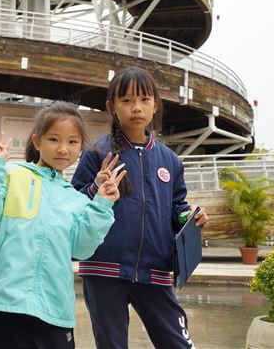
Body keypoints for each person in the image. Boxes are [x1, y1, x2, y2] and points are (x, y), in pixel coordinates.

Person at [71, 66, 209, 349]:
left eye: (144, 99)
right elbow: (74, 203)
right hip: (104, 269)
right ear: (111, 107)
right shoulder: (97, 153)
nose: (136, 107)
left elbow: (177, 208)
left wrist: (190, 216)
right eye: (127, 100)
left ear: (155, 105)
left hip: (154, 270)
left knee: (178, 343)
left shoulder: (169, 160)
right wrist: (96, 187)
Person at [0, 101, 123, 349]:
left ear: (80, 148)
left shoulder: (76, 199)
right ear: (37, 141)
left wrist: (101, 205)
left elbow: (81, 249)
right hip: (9, 303)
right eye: (54, 139)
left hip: (56, 309)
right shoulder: (11, 174)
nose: (63, 149)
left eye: (72, 142)